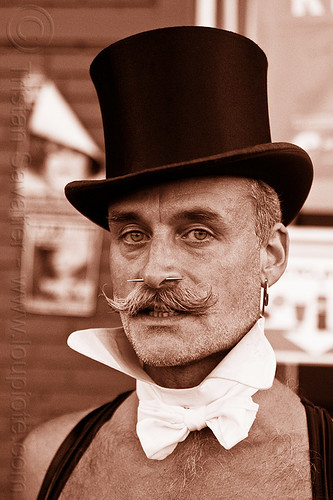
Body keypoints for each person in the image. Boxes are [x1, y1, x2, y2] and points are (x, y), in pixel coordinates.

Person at [21, 27, 332, 499]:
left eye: (198, 233)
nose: (154, 271)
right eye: (133, 234)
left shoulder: (323, 463)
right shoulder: (47, 459)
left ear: (271, 255)